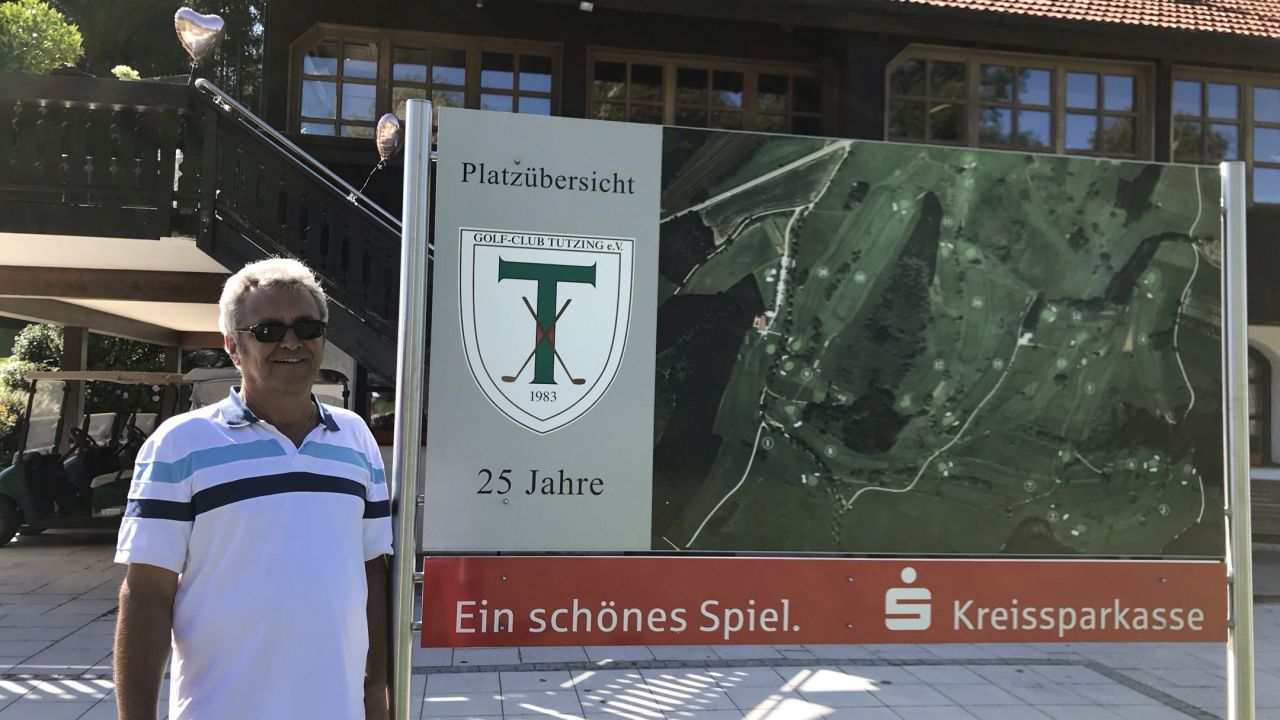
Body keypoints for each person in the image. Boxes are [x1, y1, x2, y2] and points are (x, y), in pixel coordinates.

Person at [113, 258, 392, 720]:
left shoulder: (356, 438)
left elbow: (373, 572)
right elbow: (146, 595)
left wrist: (376, 697)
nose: (291, 342)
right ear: (232, 346)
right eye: (268, 331)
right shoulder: (178, 444)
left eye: (307, 327)